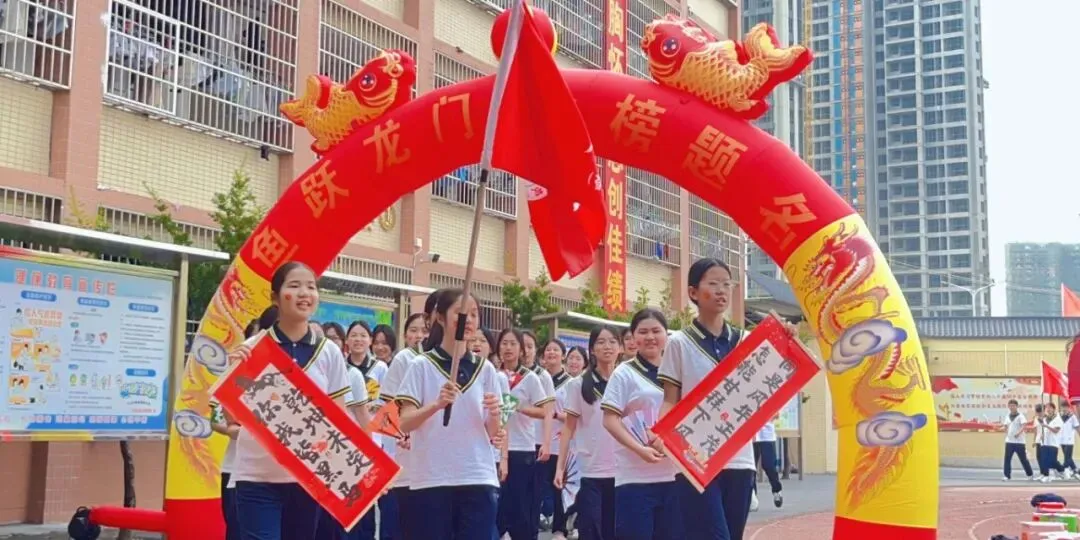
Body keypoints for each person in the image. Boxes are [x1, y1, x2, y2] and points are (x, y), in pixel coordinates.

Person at [658, 258, 795, 540]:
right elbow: (670, 399)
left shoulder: (747, 341)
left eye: (727, 284)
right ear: (694, 292)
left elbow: (771, 385)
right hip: (695, 459)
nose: (722, 291)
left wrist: (786, 340)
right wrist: (662, 433)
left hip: (740, 460)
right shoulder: (679, 343)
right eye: (713, 283)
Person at [228, 261, 355, 540]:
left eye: (311, 287)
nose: (304, 293)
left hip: (308, 478)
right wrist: (234, 374)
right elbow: (230, 418)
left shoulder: (329, 353)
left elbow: (339, 419)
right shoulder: (253, 349)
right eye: (294, 286)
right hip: (256, 477)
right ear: (275, 297)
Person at [396, 289, 504, 540]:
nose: (469, 320)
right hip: (432, 477)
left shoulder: (486, 369)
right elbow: (404, 421)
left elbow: (493, 432)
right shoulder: (420, 365)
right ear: (441, 318)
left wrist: (496, 414)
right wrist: (436, 404)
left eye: (475, 314)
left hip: (477, 475)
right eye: (461, 313)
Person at [601, 309, 683, 540]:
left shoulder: (679, 370)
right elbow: (609, 419)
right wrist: (640, 450)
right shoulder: (624, 373)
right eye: (643, 332)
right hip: (635, 479)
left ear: (666, 335)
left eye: (656, 331)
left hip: (675, 476)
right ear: (633, 337)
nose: (650, 337)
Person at [380, 292, 448, 540]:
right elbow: (388, 405)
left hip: (442, 460)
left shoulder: (456, 361)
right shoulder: (407, 358)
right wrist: (402, 433)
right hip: (407, 456)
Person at [556, 325, 622, 540]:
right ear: (592, 349)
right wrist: (560, 468)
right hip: (590, 471)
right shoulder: (578, 385)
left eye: (612, 341)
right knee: (592, 529)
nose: (607, 347)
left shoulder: (625, 381)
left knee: (616, 530)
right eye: (601, 342)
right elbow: (568, 428)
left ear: (620, 347)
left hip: (623, 470)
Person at [495, 328, 552, 540]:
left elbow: (544, 410)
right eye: (504, 343)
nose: (508, 348)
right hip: (496, 449)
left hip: (522, 449)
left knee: (520, 509)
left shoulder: (529, 378)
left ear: (521, 350)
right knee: (498, 509)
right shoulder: (492, 374)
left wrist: (518, 407)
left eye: (513, 344)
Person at [521, 330, 554, 536]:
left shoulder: (543, 376)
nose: (525, 351)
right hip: (513, 443)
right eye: (521, 345)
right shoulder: (505, 373)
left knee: (533, 494)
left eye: (530, 346)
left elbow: (549, 411)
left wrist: (547, 443)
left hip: (536, 441)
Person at [539, 339, 572, 540]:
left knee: (559, 485)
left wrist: (555, 415)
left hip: (561, 441)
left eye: (556, 350)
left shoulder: (571, 383)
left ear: (563, 355)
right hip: (539, 439)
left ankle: (560, 527)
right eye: (548, 349)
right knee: (537, 485)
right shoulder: (538, 378)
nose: (551, 352)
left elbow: (575, 415)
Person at [752, 419, 783, 507]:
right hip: (751, 434)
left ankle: (777, 490)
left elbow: (776, 414)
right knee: (750, 468)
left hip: (766, 435)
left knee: (769, 465)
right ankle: (752, 496)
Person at [1002, 398, 1034, 481]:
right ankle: (1007, 476)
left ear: (1017, 406)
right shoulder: (1007, 416)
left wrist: (1018, 433)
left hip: (1019, 442)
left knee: (1023, 459)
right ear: (1008, 407)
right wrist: (1002, 428)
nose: (1012, 407)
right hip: (1009, 441)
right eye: (1010, 406)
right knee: (1007, 459)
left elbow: (1024, 425)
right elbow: (1005, 426)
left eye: (1013, 406)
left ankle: (1030, 474)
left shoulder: (1020, 416)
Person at [1038, 402, 1069, 482]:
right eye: (1046, 408)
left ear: (1054, 409)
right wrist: (1042, 436)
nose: (1048, 409)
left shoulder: (1058, 419)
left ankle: (1062, 470)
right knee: (1044, 459)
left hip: (1053, 443)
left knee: (1052, 460)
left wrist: (1047, 426)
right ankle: (1046, 475)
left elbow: (1056, 430)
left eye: (1050, 408)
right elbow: (1044, 430)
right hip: (1044, 442)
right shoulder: (1044, 419)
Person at [1061, 403, 1079, 476]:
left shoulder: (1072, 417)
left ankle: (1064, 470)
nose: (1064, 409)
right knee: (1068, 456)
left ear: (1069, 408)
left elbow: (1077, 427)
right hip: (1062, 440)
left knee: (1067, 457)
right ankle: (1075, 469)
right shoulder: (1060, 416)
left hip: (1069, 440)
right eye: (1063, 407)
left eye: (1066, 407)